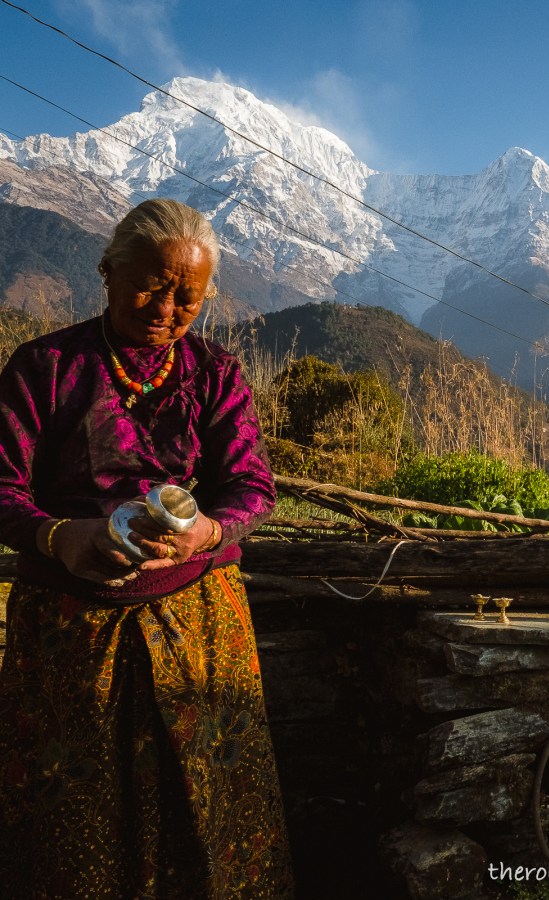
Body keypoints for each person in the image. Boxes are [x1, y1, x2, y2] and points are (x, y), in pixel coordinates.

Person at [0, 198, 293, 897]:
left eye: (188, 296)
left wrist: (205, 532)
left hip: (198, 623)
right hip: (68, 630)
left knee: (207, 808)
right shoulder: (46, 367)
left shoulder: (214, 374)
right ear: (107, 270)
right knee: (76, 811)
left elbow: (251, 485)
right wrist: (60, 536)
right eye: (151, 285)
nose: (166, 307)